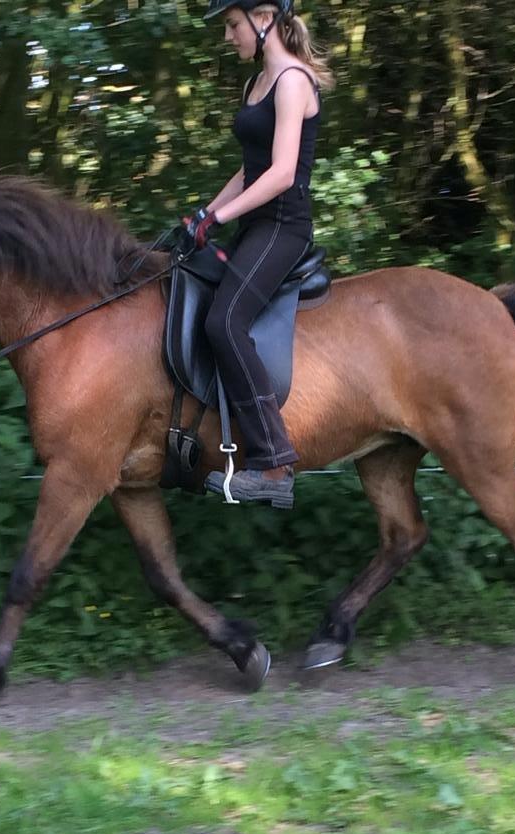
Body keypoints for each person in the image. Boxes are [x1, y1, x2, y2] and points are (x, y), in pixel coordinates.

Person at [183, 0, 333, 508]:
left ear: (265, 16)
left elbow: (282, 173)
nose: (228, 37)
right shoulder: (256, 86)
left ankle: (273, 466)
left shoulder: (293, 80)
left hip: (284, 227)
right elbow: (250, 170)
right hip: (254, 224)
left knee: (225, 322)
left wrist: (220, 219)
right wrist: (206, 213)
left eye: (232, 25)